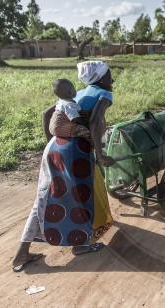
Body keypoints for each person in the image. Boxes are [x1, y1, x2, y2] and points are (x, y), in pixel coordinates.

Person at [12, 61, 116, 272]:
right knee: (79, 195)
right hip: (76, 152)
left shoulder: (77, 94)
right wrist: (101, 154)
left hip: (54, 148)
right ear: (99, 78)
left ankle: (23, 251)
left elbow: (46, 114)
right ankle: (80, 245)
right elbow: (95, 123)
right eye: (109, 76)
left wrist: (54, 141)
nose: (112, 80)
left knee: (44, 197)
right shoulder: (104, 94)